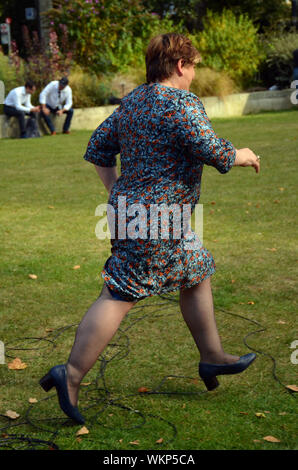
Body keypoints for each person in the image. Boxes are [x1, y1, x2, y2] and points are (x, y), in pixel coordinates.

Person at [40, 33, 260, 424]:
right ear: (180, 66)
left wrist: (117, 191)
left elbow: (98, 147)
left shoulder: (134, 102)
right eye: (192, 66)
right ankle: (69, 375)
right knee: (120, 292)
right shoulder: (180, 102)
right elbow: (211, 149)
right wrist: (242, 155)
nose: (193, 74)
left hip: (146, 215)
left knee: (195, 270)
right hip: (158, 219)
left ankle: (211, 357)